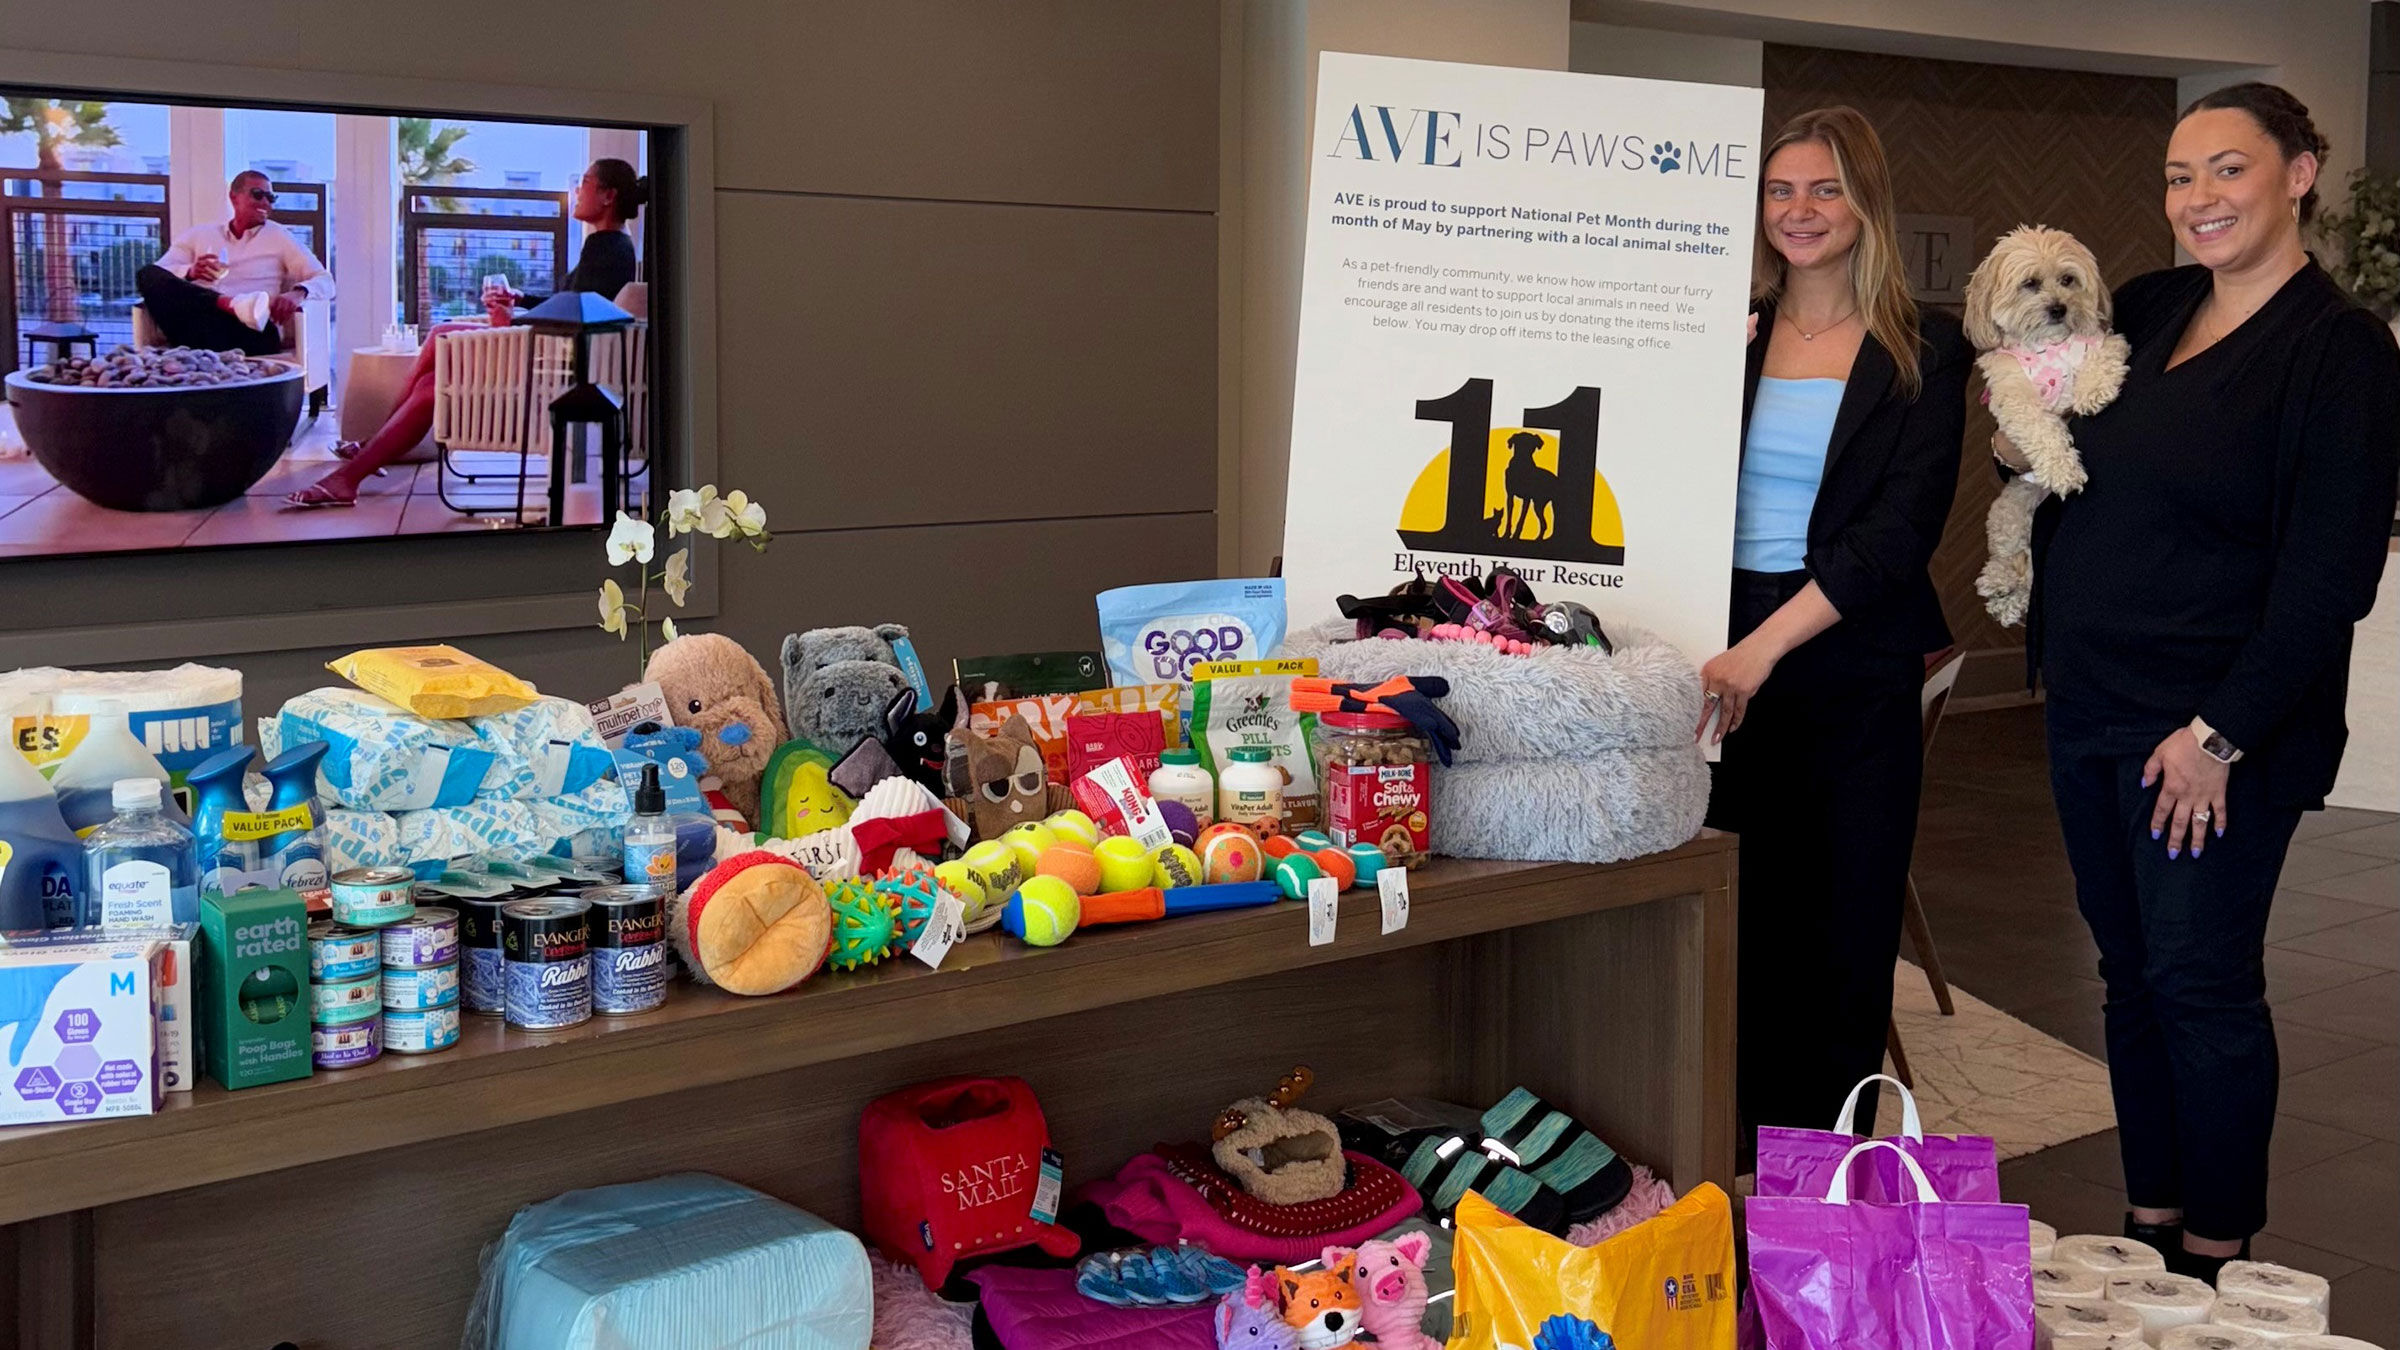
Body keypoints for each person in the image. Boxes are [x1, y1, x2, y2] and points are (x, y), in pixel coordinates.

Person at [2007, 82, 2398, 1281]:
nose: (2198, 200)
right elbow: (2027, 392)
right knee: (2130, 979)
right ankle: (2152, 1221)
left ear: (2299, 172)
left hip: (2209, 737)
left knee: (2201, 982)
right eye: (2180, 177)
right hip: (2089, 707)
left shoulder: (2340, 350)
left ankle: (2221, 1254)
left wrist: (2218, 733)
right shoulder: (2154, 302)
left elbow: (2330, 580)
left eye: (2227, 169)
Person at [1701, 107, 1971, 1150]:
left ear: (1866, 203)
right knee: (1736, 916)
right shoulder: (1729, 334)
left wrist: (1763, 651)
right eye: (1781, 190)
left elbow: (1895, 538)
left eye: (1825, 190)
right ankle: (1725, 1153)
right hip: (1716, 645)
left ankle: (1825, 1175)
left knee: (1844, 932)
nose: (1800, 211)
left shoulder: (1925, 347)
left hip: (1844, 656)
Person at [285, 158, 647, 508]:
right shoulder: (608, 244)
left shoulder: (609, 248)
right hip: (551, 353)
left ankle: (361, 458)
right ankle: (355, 469)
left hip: (554, 364)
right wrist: (520, 299)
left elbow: (578, 315)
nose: (577, 190)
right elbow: (571, 300)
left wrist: (515, 321)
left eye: (584, 182)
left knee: (442, 335)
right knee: (430, 385)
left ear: (607, 196)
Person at [136, 170, 332, 355]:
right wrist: (190, 272)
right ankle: (233, 303)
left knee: (259, 330)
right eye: (258, 194)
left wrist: (298, 293)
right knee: (146, 274)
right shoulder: (200, 235)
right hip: (200, 326)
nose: (265, 202)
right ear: (233, 197)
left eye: (270, 198)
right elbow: (158, 274)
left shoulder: (279, 236)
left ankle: (242, 308)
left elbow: (325, 281)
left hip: (251, 330)